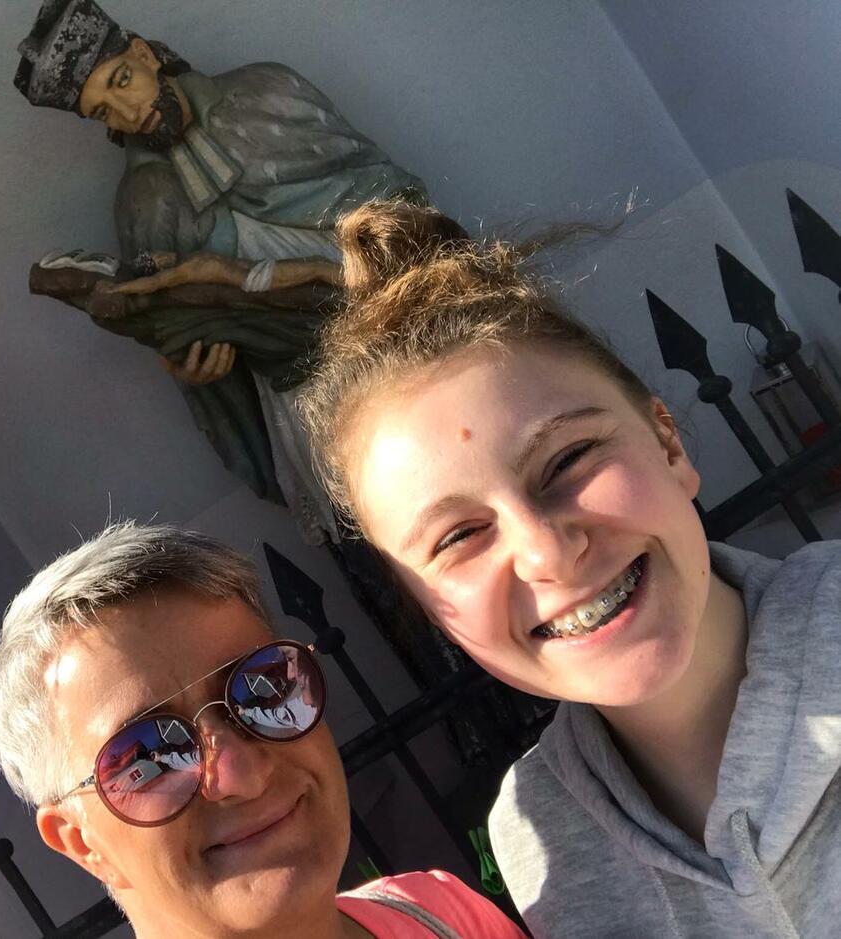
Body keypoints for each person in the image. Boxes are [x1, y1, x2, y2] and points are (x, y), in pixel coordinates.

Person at [295, 199, 841, 937]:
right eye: (459, 536)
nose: (547, 551)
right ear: (431, 609)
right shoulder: (536, 833)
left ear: (668, 444)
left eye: (568, 460)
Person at [0, 521, 525, 938]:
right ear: (83, 843)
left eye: (264, 687)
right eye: (149, 756)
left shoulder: (440, 913)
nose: (243, 773)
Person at [15, 0, 425, 543]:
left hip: (407, 325)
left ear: (143, 55)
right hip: (310, 391)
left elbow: (393, 199)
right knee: (376, 530)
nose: (127, 113)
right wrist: (199, 371)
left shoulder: (266, 92)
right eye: (103, 112)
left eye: (122, 81)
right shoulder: (145, 200)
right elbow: (176, 324)